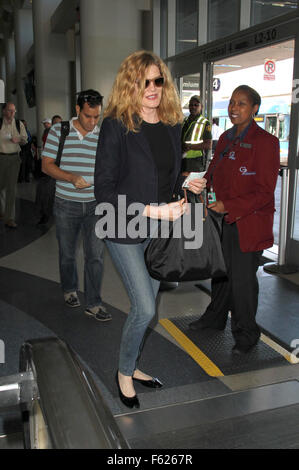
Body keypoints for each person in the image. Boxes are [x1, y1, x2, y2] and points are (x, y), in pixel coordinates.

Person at [94, 50, 206, 409]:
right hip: (124, 228)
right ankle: (124, 373)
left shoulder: (173, 125)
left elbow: (165, 179)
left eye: (158, 80)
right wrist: (155, 211)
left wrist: (188, 185)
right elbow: (105, 193)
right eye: (145, 81)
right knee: (144, 308)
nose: (153, 88)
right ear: (131, 83)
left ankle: (134, 364)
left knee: (148, 308)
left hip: (160, 230)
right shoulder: (116, 125)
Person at [189, 85, 280, 355]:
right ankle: (215, 318)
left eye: (241, 103)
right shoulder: (227, 137)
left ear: (254, 109)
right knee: (220, 274)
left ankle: (246, 334)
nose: (234, 108)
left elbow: (264, 192)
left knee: (241, 282)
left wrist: (229, 205)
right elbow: (214, 171)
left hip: (247, 223)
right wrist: (199, 184)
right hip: (222, 219)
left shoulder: (266, 143)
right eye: (231, 102)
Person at [42, 89, 111, 322]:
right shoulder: (58, 131)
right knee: (67, 253)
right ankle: (70, 289)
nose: (92, 122)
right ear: (77, 110)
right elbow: (47, 165)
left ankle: (93, 302)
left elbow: (107, 168)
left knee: (96, 256)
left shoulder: (101, 134)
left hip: (94, 205)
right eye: (88, 116)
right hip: (65, 203)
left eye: (97, 117)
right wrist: (71, 178)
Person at [0, 102, 28, 228]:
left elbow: (25, 139)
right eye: (10, 110)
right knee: (1, 187)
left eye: (14, 111)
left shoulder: (18, 124)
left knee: (11, 188)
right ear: (3, 111)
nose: (12, 113)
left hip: (14, 158)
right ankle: (2, 211)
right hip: (1, 157)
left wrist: (19, 140)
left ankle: (9, 218)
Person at [181, 95, 212, 174]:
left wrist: (190, 147)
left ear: (201, 107)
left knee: (193, 185)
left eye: (196, 105)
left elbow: (208, 145)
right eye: (191, 105)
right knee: (181, 185)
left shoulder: (204, 122)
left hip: (195, 162)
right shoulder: (184, 121)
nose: (193, 107)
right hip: (182, 160)